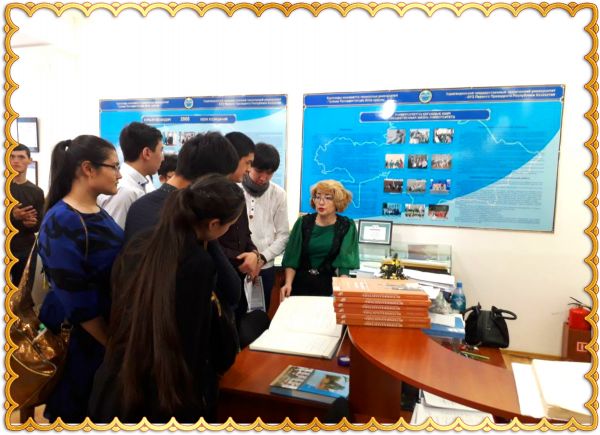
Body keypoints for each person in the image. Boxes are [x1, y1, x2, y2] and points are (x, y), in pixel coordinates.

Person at [89, 174, 245, 423]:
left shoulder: (140, 242)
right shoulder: (198, 263)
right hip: (166, 392)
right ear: (214, 225)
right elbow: (193, 343)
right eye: (229, 225)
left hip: (118, 380)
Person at [37, 135, 124, 423]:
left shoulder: (96, 211)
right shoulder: (62, 219)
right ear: (88, 168)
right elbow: (76, 298)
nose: (119, 174)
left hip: (101, 330)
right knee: (77, 412)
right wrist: (111, 344)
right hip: (81, 337)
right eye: (114, 166)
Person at [124, 132, 241, 308]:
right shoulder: (191, 215)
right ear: (208, 179)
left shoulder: (139, 206)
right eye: (223, 182)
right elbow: (231, 290)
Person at [280, 180, 359, 298]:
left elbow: (344, 264)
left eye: (328, 198)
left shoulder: (346, 226)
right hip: (299, 284)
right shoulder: (303, 223)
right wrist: (288, 284)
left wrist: (343, 288)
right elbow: (292, 258)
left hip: (327, 286)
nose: (321, 202)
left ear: (337, 201)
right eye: (317, 197)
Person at [241, 143, 289, 311]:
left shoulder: (278, 194)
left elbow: (284, 235)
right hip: (238, 264)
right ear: (249, 166)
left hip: (265, 267)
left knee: (258, 315)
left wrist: (262, 258)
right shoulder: (235, 190)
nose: (263, 177)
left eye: (269, 173)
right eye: (259, 171)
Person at [98, 122, 164, 229]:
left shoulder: (145, 179)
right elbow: (114, 235)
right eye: (161, 150)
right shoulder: (123, 191)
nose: (163, 158)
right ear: (147, 153)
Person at [8, 143, 45, 286]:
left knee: (22, 290)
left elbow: (39, 224)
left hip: (25, 249)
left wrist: (32, 223)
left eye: (21, 157)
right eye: (12, 157)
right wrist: (13, 216)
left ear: (30, 160)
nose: (16, 161)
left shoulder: (36, 192)